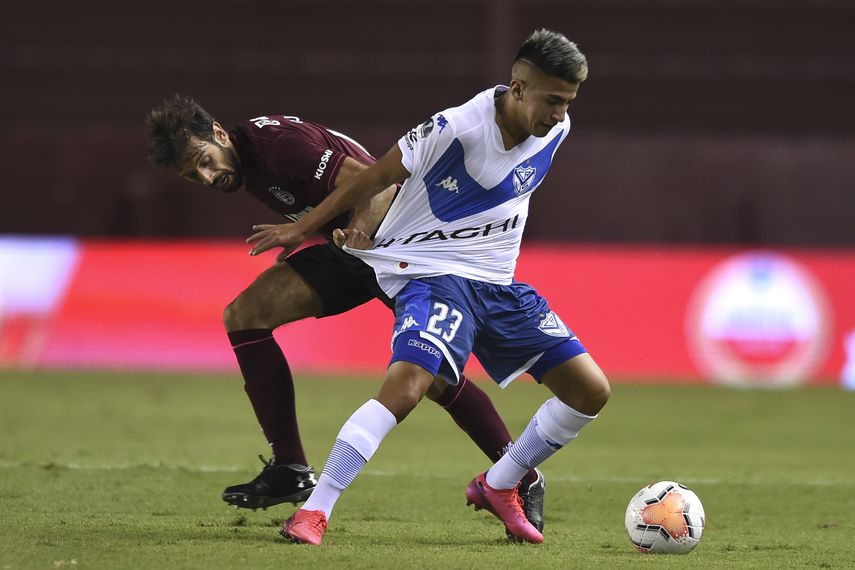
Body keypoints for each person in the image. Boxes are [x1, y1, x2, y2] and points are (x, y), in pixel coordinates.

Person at [246, 29, 611, 545]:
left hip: (498, 283)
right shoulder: (457, 127)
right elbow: (374, 177)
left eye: (568, 102)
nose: (560, 114)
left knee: (590, 391)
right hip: (429, 273)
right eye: (552, 100)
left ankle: (500, 484)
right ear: (518, 86)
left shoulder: (557, 126)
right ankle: (315, 510)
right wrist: (302, 229)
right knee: (409, 386)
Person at [143, 97, 546, 533]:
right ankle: (290, 468)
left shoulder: (275, 144)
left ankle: (523, 477)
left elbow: (375, 183)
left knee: (435, 379)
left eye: (204, 161)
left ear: (220, 134)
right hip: (349, 250)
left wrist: (351, 229)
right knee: (246, 314)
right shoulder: (247, 165)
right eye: (192, 175)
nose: (206, 177)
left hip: (400, 246)